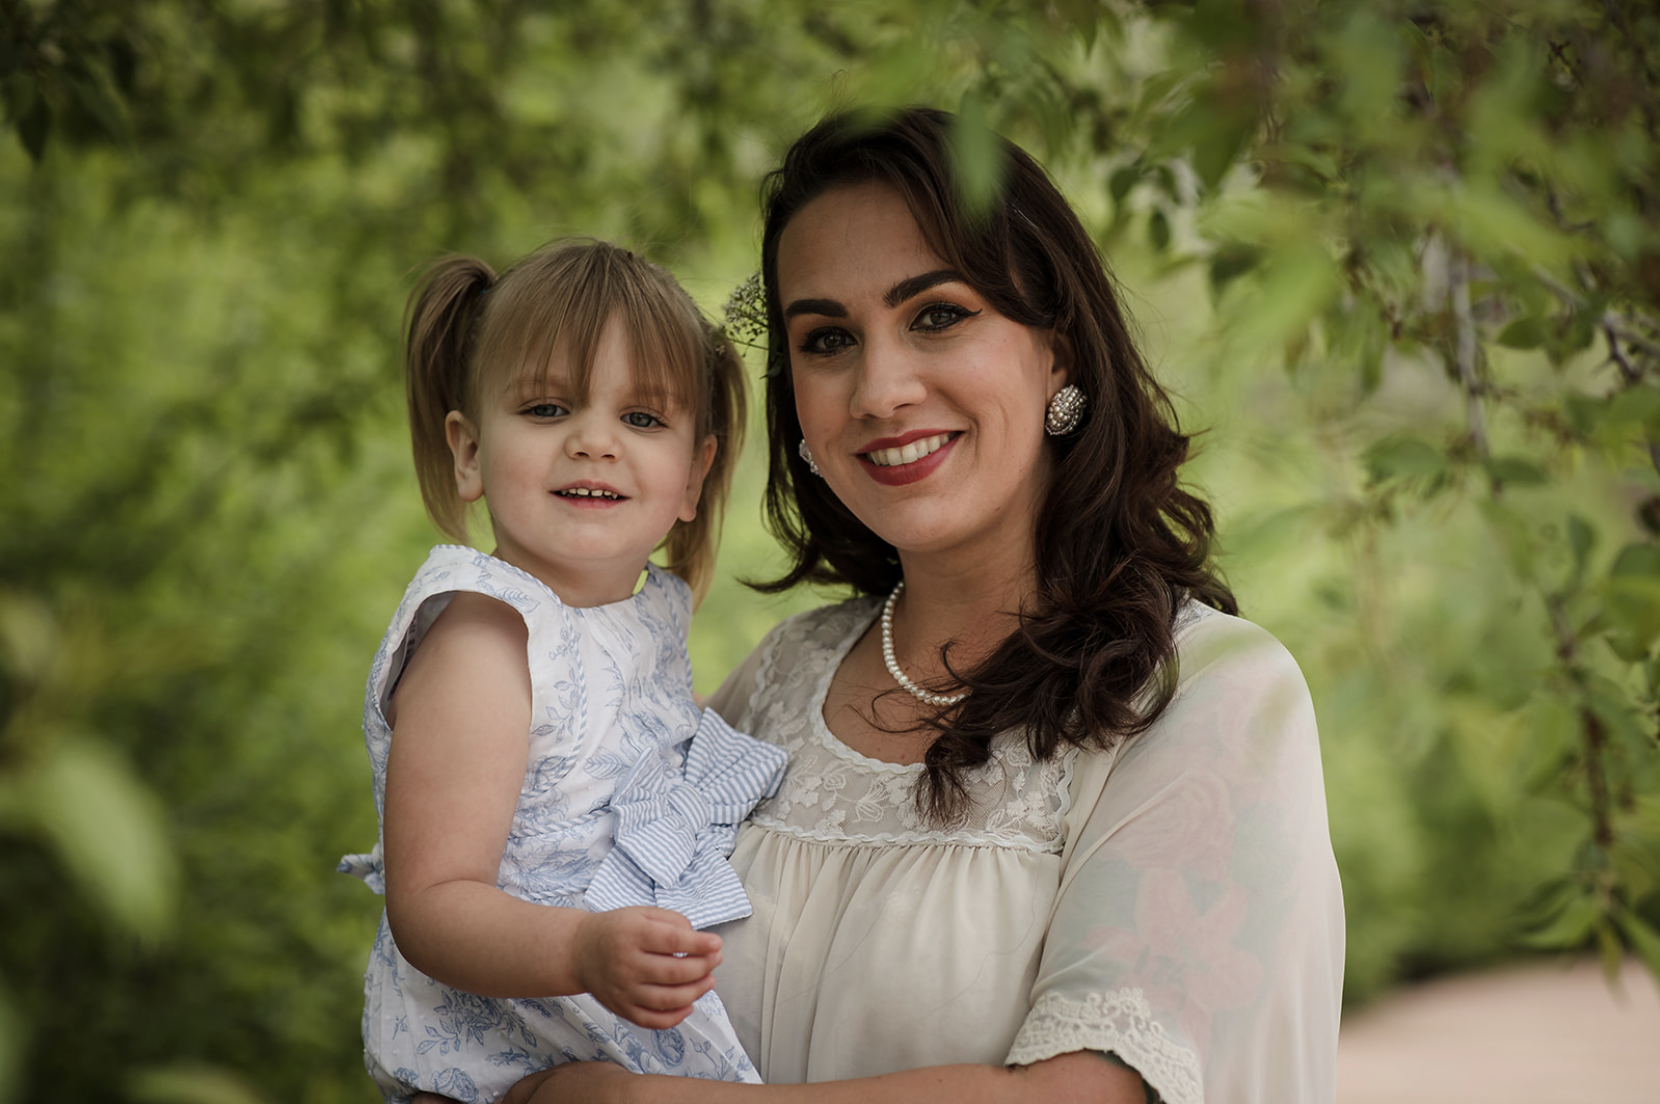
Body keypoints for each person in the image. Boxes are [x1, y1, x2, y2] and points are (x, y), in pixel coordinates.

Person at [499, 107, 1345, 1104]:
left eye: (937, 314)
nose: (879, 388)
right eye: (826, 339)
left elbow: (1093, 1095)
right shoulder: (779, 680)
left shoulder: (1209, 694)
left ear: (1058, 352)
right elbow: (556, 933)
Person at [338, 239, 789, 1103]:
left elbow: (617, 749)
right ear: (468, 453)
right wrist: (581, 950)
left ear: (694, 475)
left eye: (643, 419)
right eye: (548, 409)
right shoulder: (486, 640)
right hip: (513, 1054)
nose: (594, 442)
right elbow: (432, 903)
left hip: (607, 1016)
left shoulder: (649, 607)